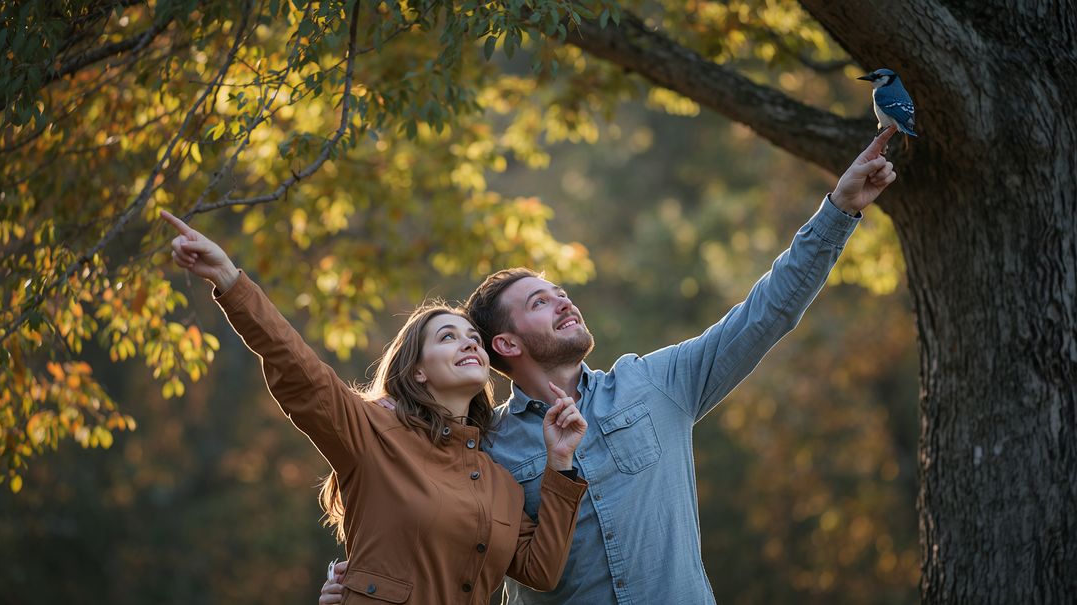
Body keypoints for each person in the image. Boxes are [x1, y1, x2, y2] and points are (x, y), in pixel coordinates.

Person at [322, 126, 901, 604]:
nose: (564, 302)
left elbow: (767, 311)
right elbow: (438, 548)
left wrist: (840, 210)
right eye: (538, 302)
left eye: (561, 291)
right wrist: (359, 589)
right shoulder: (487, 448)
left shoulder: (658, 384)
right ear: (505, 346)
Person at [161, 211, 590, 604]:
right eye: (447, 337)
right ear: (417, 371)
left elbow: (540, 570)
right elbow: (298, 370)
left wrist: (561, 464)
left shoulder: (502, 483)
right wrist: (229, 279)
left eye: (474, 339)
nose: (468, 344)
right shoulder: (372, 433)